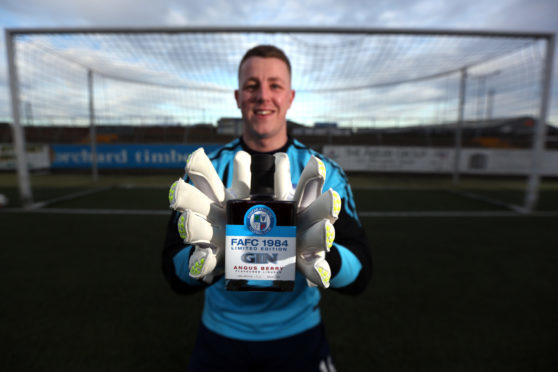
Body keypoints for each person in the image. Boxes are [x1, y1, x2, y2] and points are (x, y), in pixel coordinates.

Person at [163, 45, 372, 372]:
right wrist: (210, 260)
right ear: (237, 97)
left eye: (275, 85)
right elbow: (173, 274)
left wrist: (319, 254)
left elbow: (361, 274)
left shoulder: (324, 173)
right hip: (220, 336)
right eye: (251, 86)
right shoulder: (206, 170)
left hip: (299, 335)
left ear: (290, 97)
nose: (263, 95)